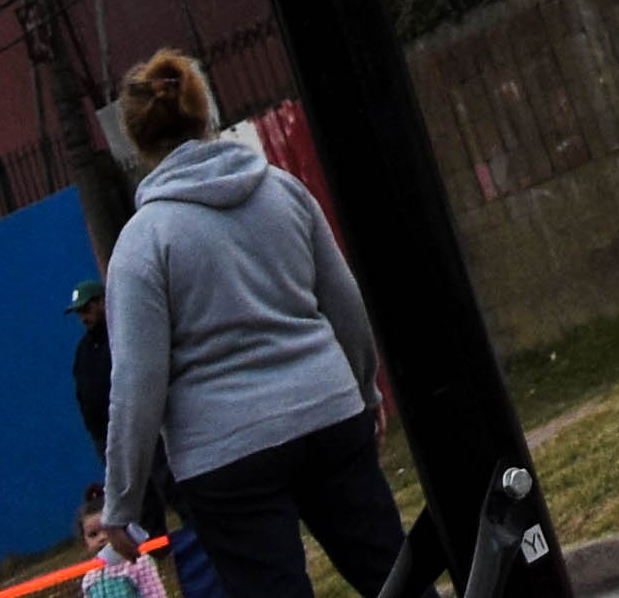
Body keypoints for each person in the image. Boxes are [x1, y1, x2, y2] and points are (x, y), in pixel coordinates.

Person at [86, 51, 402, 598]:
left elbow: (137, 384)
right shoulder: (283, 191)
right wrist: (366, 394)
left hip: (225, 454)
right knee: (393, 574)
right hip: (327, 413)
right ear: (204, 114)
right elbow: (345, 304)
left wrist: (123, 501)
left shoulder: (143, 242)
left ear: (134, 144)